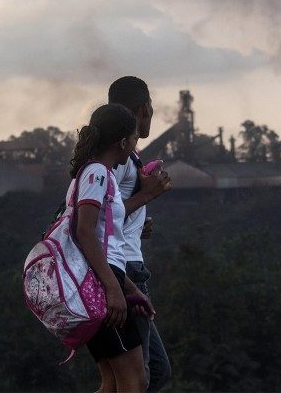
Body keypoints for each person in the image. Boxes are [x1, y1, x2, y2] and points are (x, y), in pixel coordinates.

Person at [68, 103, 154, 392]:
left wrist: (129, 287)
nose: (134, 147)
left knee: (113, 383)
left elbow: (102, 238)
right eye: (133, 140)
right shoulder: (98, 174)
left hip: (105, 280)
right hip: (102, 285)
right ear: (122, 142)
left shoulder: (95, 173)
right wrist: (114, 289)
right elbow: (85, 232)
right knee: (134, 382)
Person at [108, 76, 173, 391]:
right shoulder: (118, 161)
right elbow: (97, 222)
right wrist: (148, 195)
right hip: (126, 269)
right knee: (139, 377)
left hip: (127, 262)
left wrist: (136, 227)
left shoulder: (129, 158)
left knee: (155, 372)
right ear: (144, 108)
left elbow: (114, 214)